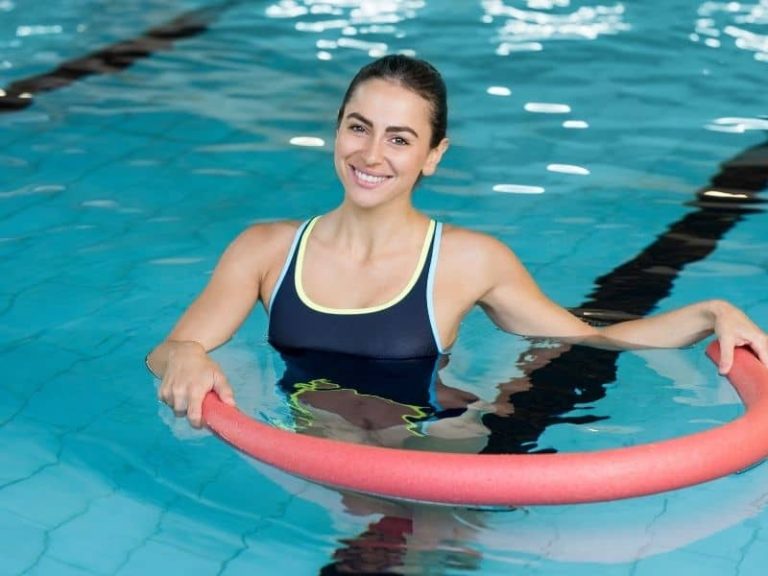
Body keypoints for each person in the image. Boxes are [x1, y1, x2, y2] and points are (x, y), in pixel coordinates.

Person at [147, 54, 768, 429]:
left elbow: (590, 336)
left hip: (435, 441)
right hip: (315, 439)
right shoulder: (265, 250)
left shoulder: (470, 261)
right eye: (358, 128)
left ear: (433, 156)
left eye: (399, 138)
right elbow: (173, 347)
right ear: (335, 131)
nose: (370, 154)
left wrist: (711, 313)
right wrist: (182, 357)